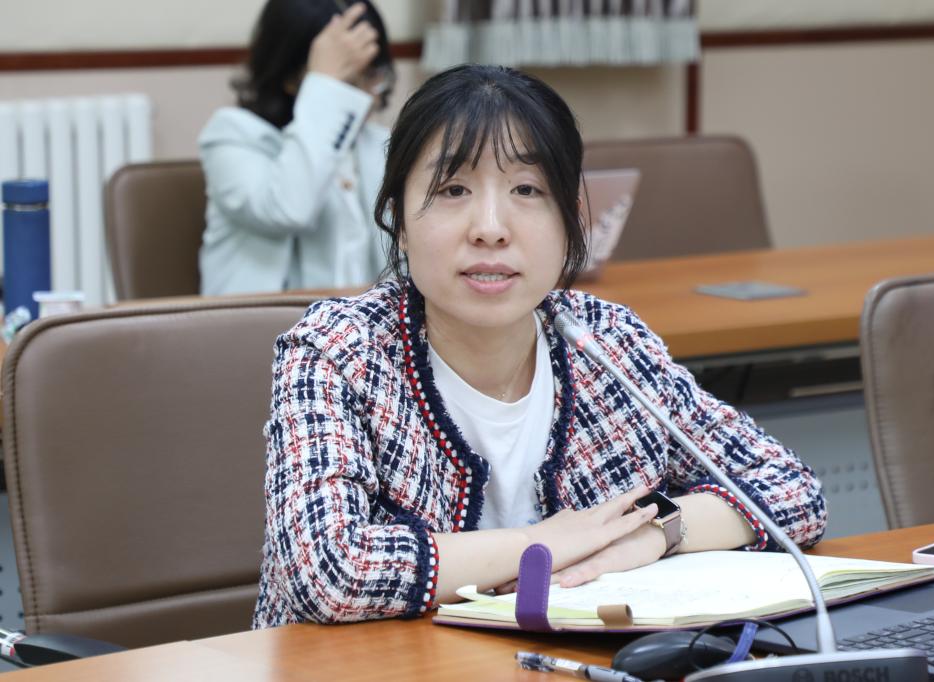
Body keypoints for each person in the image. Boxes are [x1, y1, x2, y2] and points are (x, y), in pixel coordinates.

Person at [254, 65, 827, 627]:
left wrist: (657, 533)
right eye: (453, 189)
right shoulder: (338, 352)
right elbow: (326, 572)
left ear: (571, 221)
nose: (490, 227)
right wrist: (542, 545)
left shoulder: (607, 342)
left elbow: (792, 487)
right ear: (399, 220)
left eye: (527, 189)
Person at [198, 0, 395, 295]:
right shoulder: (232, 134)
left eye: (374, 75)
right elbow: (289, 209)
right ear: (291, 79)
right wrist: (326, 84)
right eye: (349, 82)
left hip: (366, 320)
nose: (368, 97)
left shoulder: (379, 143)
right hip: (263, 321)